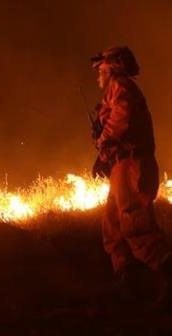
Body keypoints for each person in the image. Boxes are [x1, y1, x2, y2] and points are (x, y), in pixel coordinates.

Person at [90, 46, 172, 308]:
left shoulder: (121, 87)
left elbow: (120, 122)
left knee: (135, 224)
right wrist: (103, 157)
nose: (98, 76)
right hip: (121, 165)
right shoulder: (117, 89)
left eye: (101, 70)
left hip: (132, 165)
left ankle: (167, 278)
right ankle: (127, 284)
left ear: (112, 68)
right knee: (113, 226)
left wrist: (103, 141)